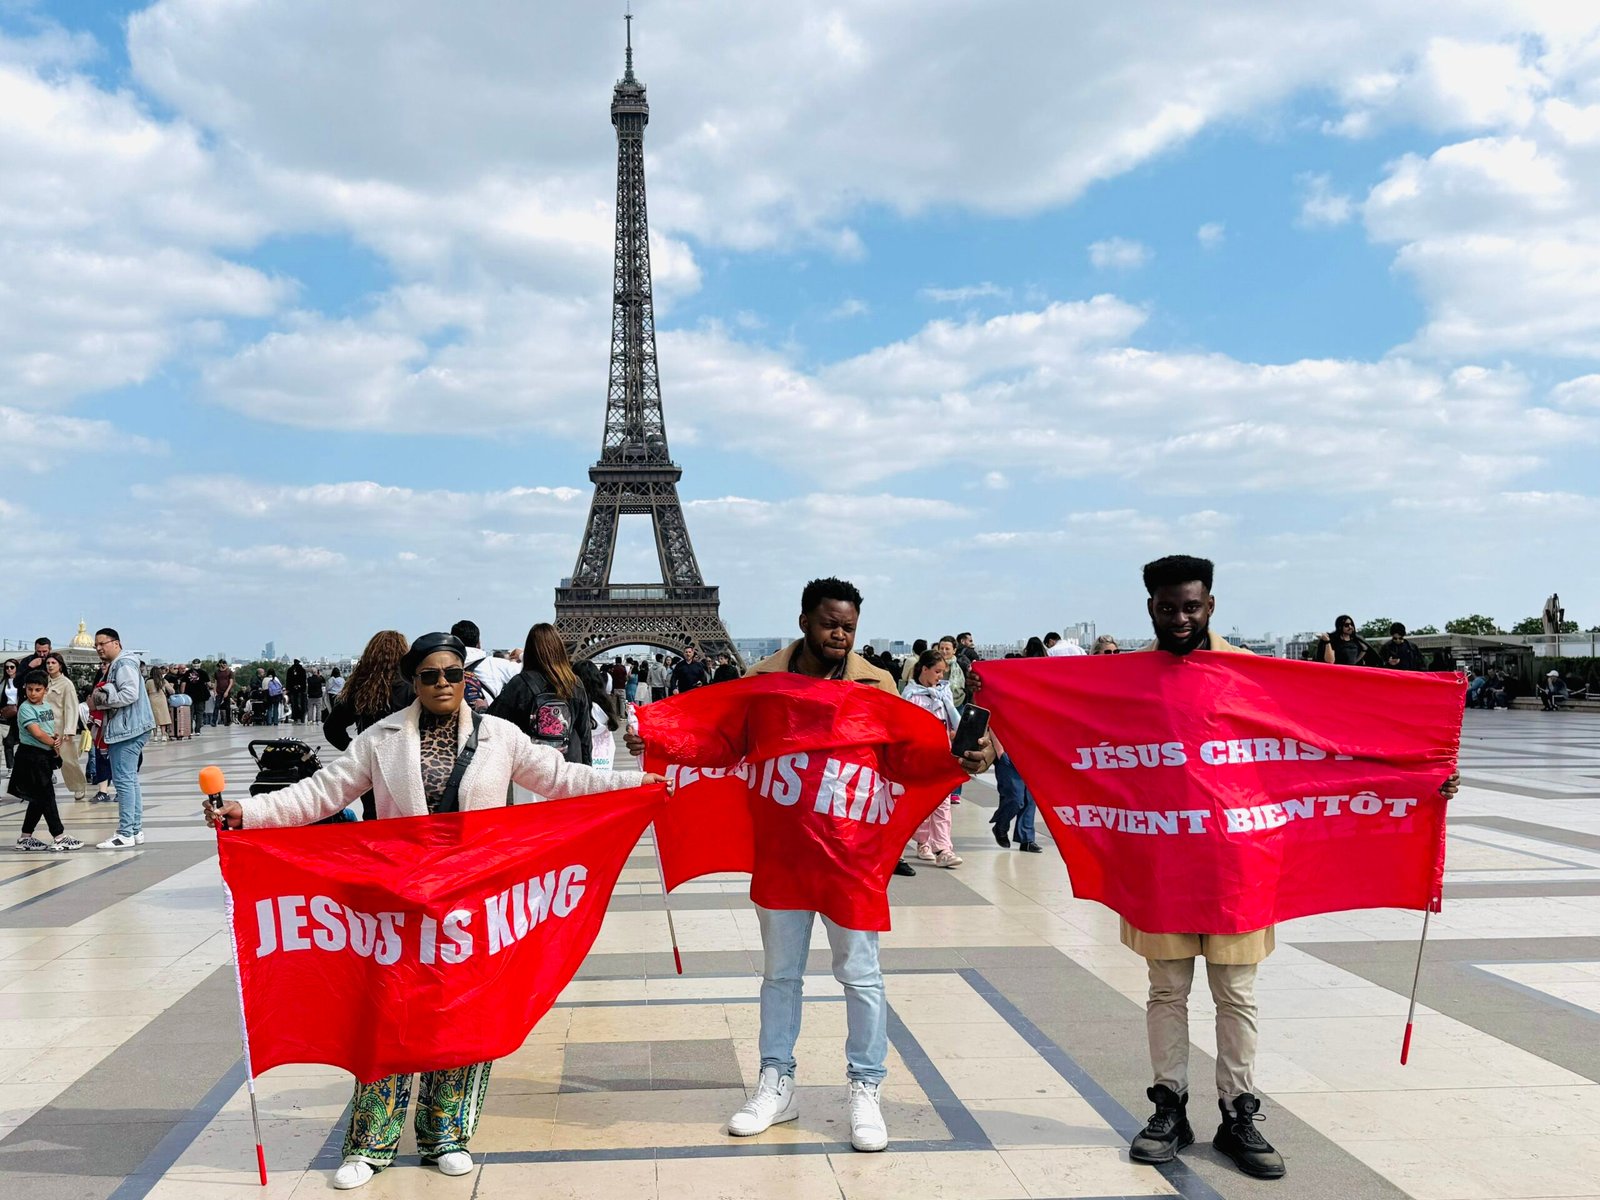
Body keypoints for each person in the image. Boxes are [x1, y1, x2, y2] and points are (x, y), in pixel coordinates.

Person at [207, 632, 660, 1191]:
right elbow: (322, 793)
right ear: (413, 681)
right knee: (390, 1011)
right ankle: (371, 1141)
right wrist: (245, 815)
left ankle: (447, 1133)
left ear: (465, 675)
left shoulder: (500, 736)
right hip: (400, 902)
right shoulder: (383, 738)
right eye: (429, 675)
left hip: (474, 899)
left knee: (464, 1009)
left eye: (451, 673)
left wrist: (636, 785)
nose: (442, 684)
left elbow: (562, 776)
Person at [627, 577, 992, 1155]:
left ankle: (866, 1088)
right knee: (780, 976)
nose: (840, 635)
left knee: (862, 977)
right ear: (804, 620)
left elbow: (906, 757)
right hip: (784, 854)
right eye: (830, 624)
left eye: (849, 626)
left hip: (852, 859)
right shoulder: (764, 683)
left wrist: (971, 757)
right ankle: (777, 1082)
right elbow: (726, 743)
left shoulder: (877, 682)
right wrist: (660, 734)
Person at [325, 632, 415, 822]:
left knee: (374, 818)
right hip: (406, 764)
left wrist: (356, 750)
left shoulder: (361, 687)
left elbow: (332, 729)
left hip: (373, 767)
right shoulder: (412, 685)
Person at [490, 625, 593, 780]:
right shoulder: (575, 683)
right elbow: (585, 733)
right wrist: (587, 771)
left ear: (530, 651)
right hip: (569, 766)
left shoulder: (520, 683)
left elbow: (494, 722)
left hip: (531, 768)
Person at [89, 629, 155, 850]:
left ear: (116, 643)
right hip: (133, 727)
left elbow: (130, 694)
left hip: (128, 729)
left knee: (124, 781)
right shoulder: (124, 663)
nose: (99, 648)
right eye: (96, 645)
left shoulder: (123, 664)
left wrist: (103, 699)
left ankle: (125, 832)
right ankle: (135, 830)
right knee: (130, 780)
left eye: (102, 643)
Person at [8, 670, 83, 851]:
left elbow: (48, 729)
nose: (33, 693)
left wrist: (55, 743)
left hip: (44, 756)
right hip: (31, 757)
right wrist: (52, 742)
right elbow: (37, 733)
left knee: (38, 799)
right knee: (47, 797)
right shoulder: (26, 708)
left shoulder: (46, 707)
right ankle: (59, 836)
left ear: (45, 690)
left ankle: (25, 837)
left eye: (37, 690)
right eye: (30, 689)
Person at [901, 649, 962, 868]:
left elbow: (953, 720)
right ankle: (922, 840)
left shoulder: (944, 694)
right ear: (924, 669)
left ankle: (944, 848)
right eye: (937, 672)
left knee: (942, 803)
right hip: (919, 757)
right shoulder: (910, 696)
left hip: (942, 755)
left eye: (942, 673)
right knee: (923, 803)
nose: (940, 677)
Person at [991, 637, 1044, 853]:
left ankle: (1026, 838)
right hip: (1009, 750)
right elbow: (992, 717)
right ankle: (1001, 825)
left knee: (1030, 798)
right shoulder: (1004, 694)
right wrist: (999, 747)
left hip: (1031, 751)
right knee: (1014, 797)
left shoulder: (1040, 696)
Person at [44, 653, 87, 801]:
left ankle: (78, 786)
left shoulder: (66, 684)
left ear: (60, 665)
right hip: (44, 728)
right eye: (48, 663)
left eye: (53, 663)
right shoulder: (44, 682)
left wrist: (69, 730)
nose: (50, 665)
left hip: (61, 729)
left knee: (68, 760)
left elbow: (71, 708)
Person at [452, 620, 516, 711]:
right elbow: (531, 674)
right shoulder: (496, 664)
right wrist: (521, 654)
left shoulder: (443, 667)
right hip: (487, 721)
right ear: (478, 643)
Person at [2, 659, 20, 775]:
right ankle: (10, 767)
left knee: (23, 741)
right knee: (8, 742)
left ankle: (21, 765)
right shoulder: (3, 683)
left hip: (20, 713)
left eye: (12, 667)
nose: (9, 669)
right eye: (7, 667)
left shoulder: (21, 681)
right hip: (7, 713)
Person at [214, 658, 234, 726]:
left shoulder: (229, 672)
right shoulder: (217, 672)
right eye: (223, 663)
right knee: (216, 706)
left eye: (225, 664)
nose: (224, 665)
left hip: (226, 690)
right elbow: (215, 682)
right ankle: (214, 721)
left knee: (227, 706)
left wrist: (227, 691)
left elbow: (231, 682)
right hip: (219, 691)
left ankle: (228, 721)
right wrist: (215, 691)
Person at [286, 659, 308, 723]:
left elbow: (288, 681)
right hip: (301, 690)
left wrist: (289, 689)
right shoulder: (302, 670)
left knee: (294, 704)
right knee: (302, 704)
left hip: (292, 690)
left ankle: (295, 717)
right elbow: (304, 681)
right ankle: (301, 718)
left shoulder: (290, 670)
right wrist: (302, 688)